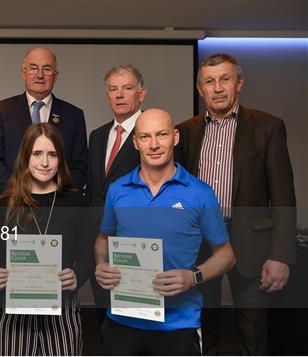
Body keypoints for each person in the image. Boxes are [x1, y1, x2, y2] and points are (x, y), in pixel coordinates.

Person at [176, 53, 297, 355]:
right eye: (209, 81)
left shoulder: (268, 127)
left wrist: (280, 255)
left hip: (252, 246)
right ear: (199, 88)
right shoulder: (185, 132)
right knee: (202, 329)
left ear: (239, 83)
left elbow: (283, 198)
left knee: (254, 334)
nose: (217, 88)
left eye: (225, 79)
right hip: (201, 245)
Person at [95, 109, 235, 355]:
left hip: (177, 326)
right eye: (145, 137)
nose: (154, 144)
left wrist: (193, 277)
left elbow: (226, 255)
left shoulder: (199, 193)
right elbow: (103, 238)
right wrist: (101, 264)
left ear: (175, 137)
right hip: (122, 322)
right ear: (136, 142)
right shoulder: (118, 190)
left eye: (161, 135)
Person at [0, 123, 94, 355]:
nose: (44, 163)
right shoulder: (2, 204)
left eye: (52, 154)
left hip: (62, 312)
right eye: (37, 154)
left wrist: (78, 277)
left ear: (60, 158)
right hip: (12, 316)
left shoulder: (75, 202)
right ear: (25, 156)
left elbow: (88, 255)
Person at [0, 47, 88, 205]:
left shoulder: (74, 115)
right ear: (23, 73)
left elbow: (80, 166)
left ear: (56, 75)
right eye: (33, 68)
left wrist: (55, 197)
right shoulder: (2, 110)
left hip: (58, 207)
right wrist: (20, 193)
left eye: (47, 69)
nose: (40, 75)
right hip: (10, 203)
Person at [86, 64, 147, 331]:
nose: (119, 95)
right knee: (106, 326)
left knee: (137, 326)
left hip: (137, 247)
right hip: (100, 245)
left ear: (141, 94)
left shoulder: (151, 136)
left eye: (127, 88)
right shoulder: (97, 136)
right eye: (113, 89)